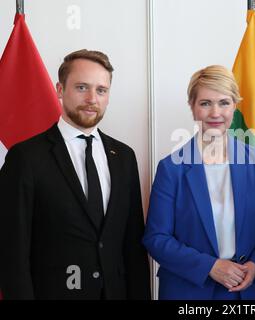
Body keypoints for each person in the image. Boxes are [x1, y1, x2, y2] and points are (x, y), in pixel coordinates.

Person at [0, 49, 150, 299]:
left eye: (101, 90)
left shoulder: (124, 157)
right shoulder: (25, 157)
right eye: (82, 87)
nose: (92, 98)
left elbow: (132, 245)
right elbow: (11, 250)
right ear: (60, 90)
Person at [143, 65, 255, 300]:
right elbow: (156, 238)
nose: (215, 113)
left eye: (224, 103)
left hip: (245, 290)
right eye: (205, 103)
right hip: (188, 290)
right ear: (192, 107)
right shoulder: (171, 168)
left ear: (235, 106)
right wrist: (210, 266)